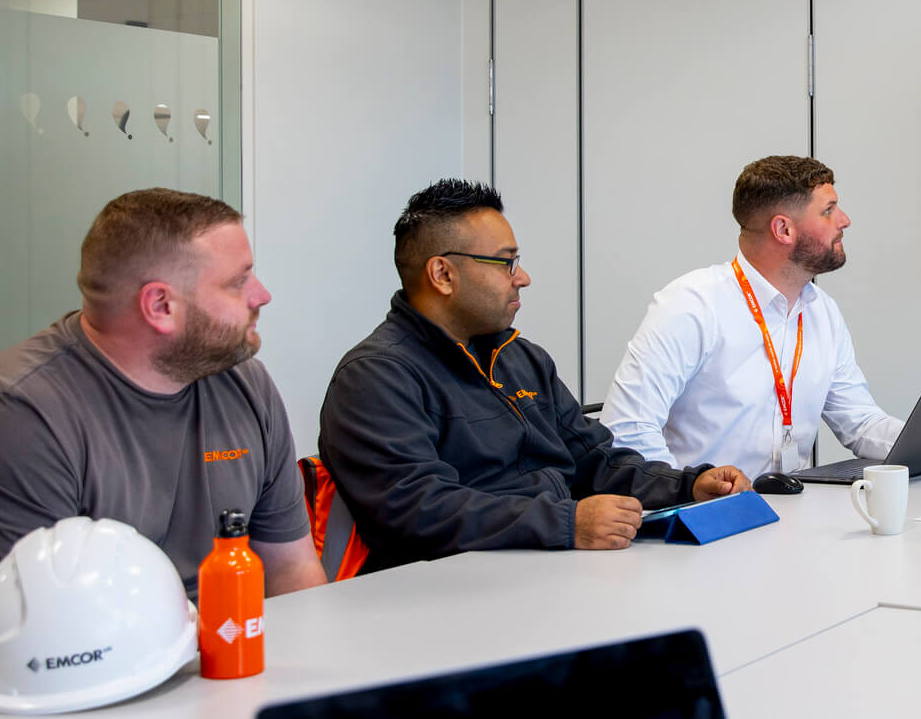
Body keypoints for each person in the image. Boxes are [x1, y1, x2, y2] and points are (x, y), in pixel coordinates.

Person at [0, 189, 324, 690]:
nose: (262, 294)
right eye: (238, 282)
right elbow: (42, 653)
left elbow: (291, 572)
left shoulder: (244, 385)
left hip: (181, 675)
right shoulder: (7, 418)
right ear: (160, 305)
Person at [320, 180, 748, 573]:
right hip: (448, 593)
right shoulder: (376, 376)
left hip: (546, 567)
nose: (522, 278)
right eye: (506, 263)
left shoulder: (520, 358)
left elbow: (593, 460)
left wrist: (687, 486)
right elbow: (417, 509)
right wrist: (566, 522)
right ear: (442, 274)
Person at [602, 155, 921, 479]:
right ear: (783, 229)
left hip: (787, 520)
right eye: (829, 210)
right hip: (705, 523)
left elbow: (859, 422)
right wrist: (689, 497)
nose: (845, 220)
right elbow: (628, 431)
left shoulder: (821, 311)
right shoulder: (692, 304)